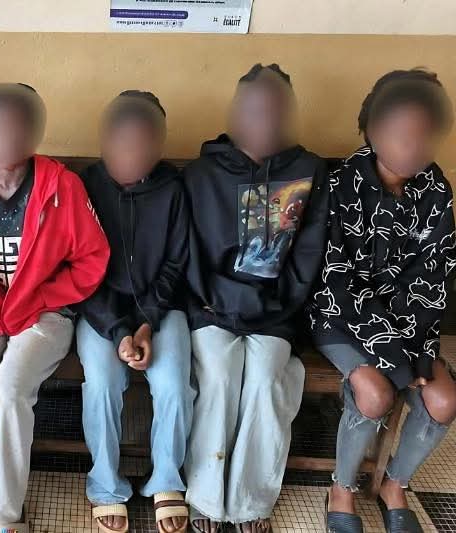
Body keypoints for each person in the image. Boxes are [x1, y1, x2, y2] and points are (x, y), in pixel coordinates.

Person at [0, 83, 110, 533]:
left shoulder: (61, 187)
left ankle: (6, 514)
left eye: (19, 126)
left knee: (10, 393)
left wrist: (40, 298)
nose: (8, 137)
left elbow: (92, 260)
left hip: (45, 313)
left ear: (36, 132)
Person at [182, 64, 330, 533]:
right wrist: (217, 300)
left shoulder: (309, 171)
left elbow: (309, 252)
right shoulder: (203, 173)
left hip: (276, 310)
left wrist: (276, 305)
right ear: (236, 114)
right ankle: (205, 497)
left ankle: (251, 501)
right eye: (255, 111)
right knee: (219, 375)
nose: (265, 122)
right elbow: (189, 252)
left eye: (275, 112)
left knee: (267, 380)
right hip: (211, 306)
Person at [310, 69, 456, 533]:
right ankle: (342, 488)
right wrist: (394, 357)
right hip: (339, 318)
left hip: (408, 325)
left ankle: (395, 485)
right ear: (373, 129)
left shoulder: (436, 191)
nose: (414, 149)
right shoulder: (339, 185)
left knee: (444, 399)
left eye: (425, 137)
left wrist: (416, 351)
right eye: (402, 136)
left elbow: (432, 279)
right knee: (375, 393)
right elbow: (334, 280)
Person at [75, 91, 192, 533]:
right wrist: (119, 331)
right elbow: (78, 268)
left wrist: (146, 324)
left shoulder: (173, 188)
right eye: (122, 144)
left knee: (174, 384)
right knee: (102, 383)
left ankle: (166, 480)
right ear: (104, 141)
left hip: (160, 308)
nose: (132, 156)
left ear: (160, 147)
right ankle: (106, 485)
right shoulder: (84, 187)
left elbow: (176, 264)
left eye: (144, 147)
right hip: (101, 311)